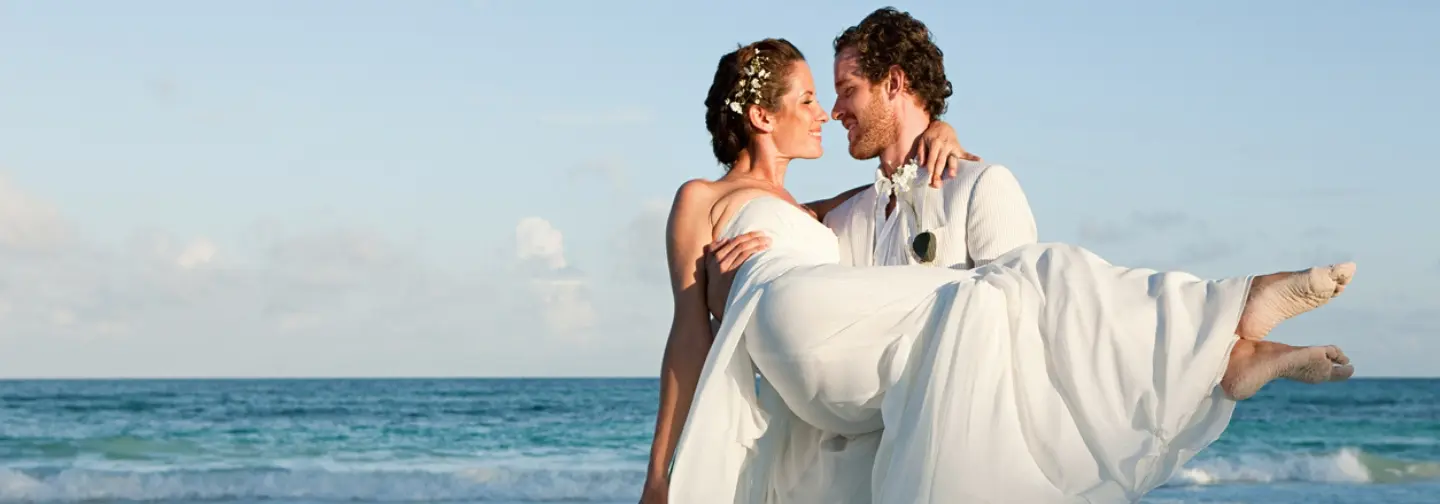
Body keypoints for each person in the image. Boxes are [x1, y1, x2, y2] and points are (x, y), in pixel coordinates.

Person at [643, 36, 1356, 504]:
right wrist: (660, 477)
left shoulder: (819, 207)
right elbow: (687, 338)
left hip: (830, 374)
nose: (825, 112)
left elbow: (887, 184)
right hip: (786, 313)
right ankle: (1221, 322)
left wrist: (943, 133)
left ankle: (1225, 354)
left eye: (834, 93)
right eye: (806, 99)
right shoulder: (703, 198)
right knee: (1025, 280)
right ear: (762, 119)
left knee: (1000, 297)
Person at [697, 9, 1042, 502]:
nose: (835, 110)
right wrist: (728, 278)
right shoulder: (843, 220)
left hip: (960, 469)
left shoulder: (982, 186)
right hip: (866, 476)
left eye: (847, 88)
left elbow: (1022, 336)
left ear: (894, 83)